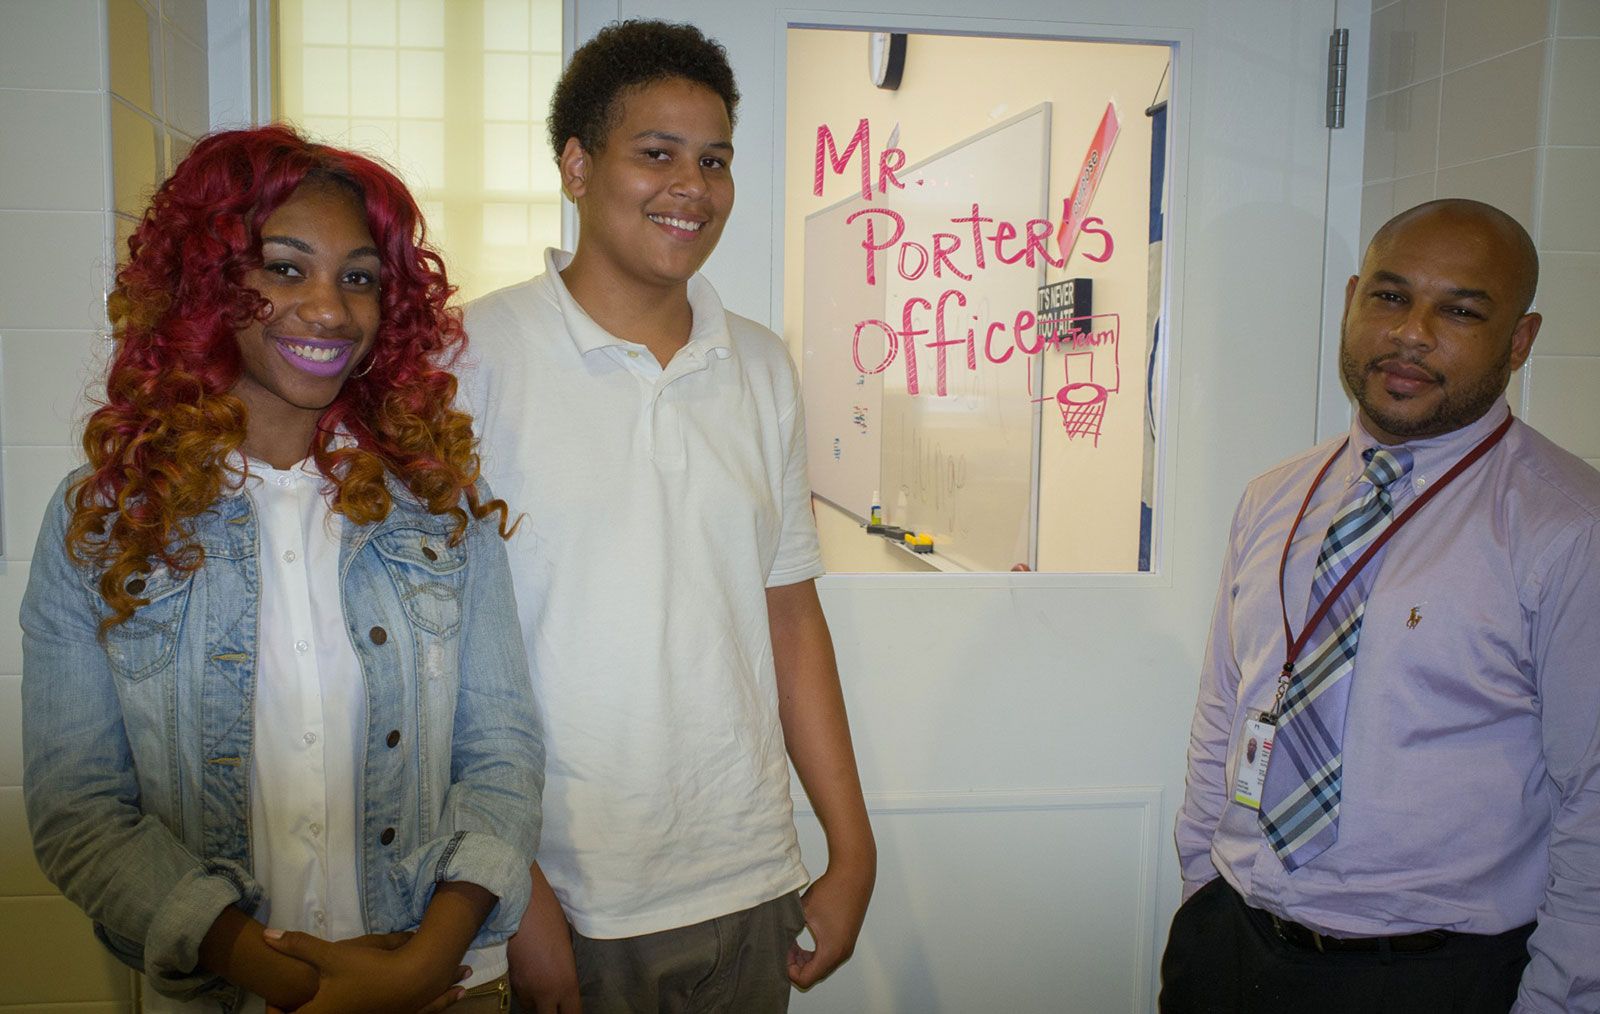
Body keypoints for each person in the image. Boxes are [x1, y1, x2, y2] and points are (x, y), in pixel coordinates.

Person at [21, 125, 544, 1014]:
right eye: (285, 268)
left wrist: (421, 965)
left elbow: (501, 756)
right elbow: (81, 813)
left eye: (359, 277)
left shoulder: (440, 504)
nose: (331, 310)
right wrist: (284, 979)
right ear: (209, 286)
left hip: (443, 988)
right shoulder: (106, 522)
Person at [459, 19, 876, 1014]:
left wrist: (851, 845)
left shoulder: (761, 366)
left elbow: (788, 616)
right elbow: (427, 661)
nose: (692, 185)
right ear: (576, 163)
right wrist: (509, 881)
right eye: (657, 154)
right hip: (563, 889)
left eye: (714, 160)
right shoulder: (470, 358)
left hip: (745, 879)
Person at [1163, 198, 1600, 1012]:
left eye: (1461, 310)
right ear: (1354, 300)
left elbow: (1595, 801)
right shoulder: (1275, 496)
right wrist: (1200, 889)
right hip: (1229, 945)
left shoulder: (1569, 532)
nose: (1412, 333)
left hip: (1434, 978)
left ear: (1520, 340)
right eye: (1390, 298)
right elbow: (1224, 707)